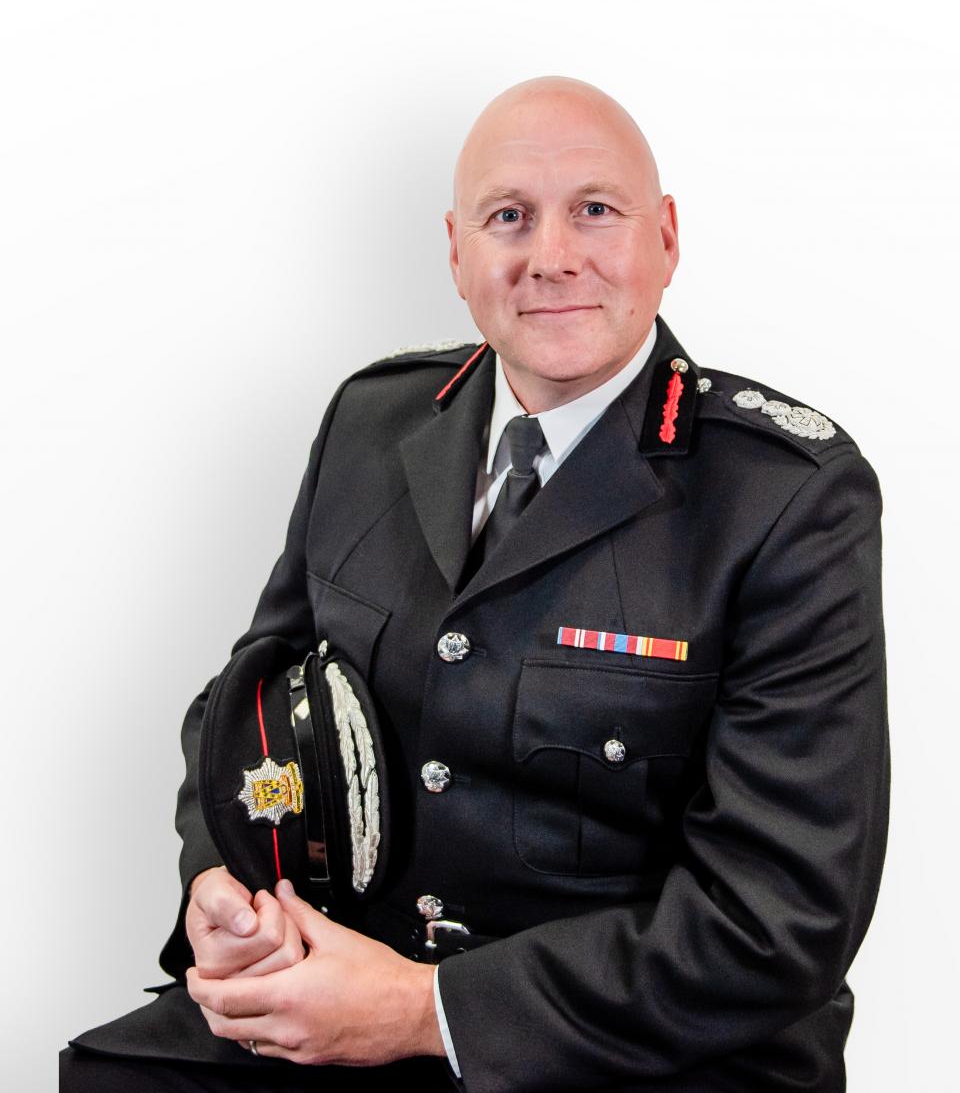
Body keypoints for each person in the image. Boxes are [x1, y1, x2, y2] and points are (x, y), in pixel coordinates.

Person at [62, 75, 889, 1092]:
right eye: (509, 217)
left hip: (633, 1050)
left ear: (666, 239)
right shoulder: (373, 421)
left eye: (596, 209)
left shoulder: (784, 497)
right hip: (347, 979)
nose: (553, 256)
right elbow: (251, 703)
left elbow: (778, 921)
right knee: (110, 1073)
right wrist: (222, 888)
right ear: (457, 253)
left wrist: (423, 1011)